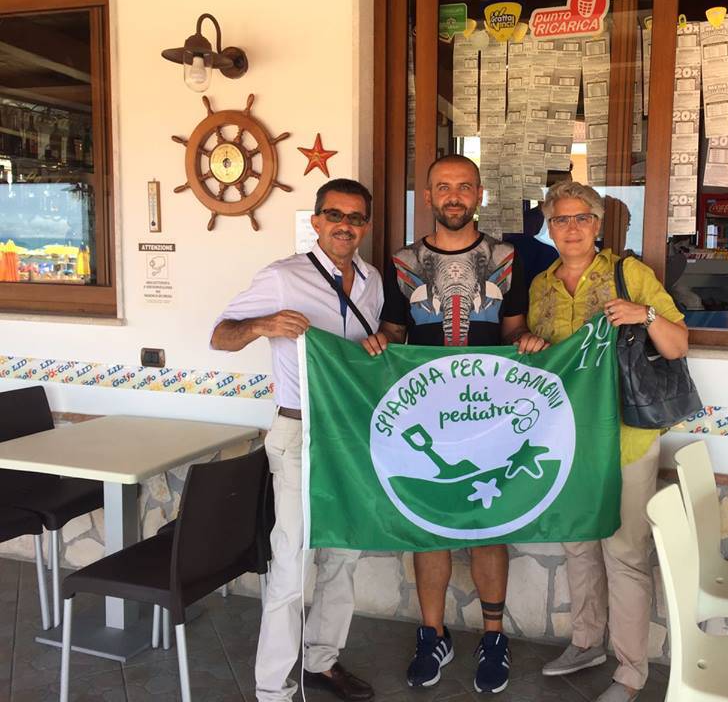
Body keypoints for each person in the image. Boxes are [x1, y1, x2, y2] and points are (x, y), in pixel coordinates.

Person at [362, 153, 547, 695]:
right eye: (443, 187)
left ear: (480, 193)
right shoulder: (402, 262)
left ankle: (494, 637)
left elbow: (514, 330)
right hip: (426, 414)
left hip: (487, 416)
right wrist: (379, 342)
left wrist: (527, 342)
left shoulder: (507, 258)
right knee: (429, 524)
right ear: (428, 195)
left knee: (490, 524)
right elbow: (395, 331)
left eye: (464, 187)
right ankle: (432, 633)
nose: (454, 196)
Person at [211, 179, 380, 702]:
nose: (344, 226)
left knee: (344, 555)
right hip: (299, 431)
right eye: (334, 215)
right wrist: (263, 324)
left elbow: (365, 354)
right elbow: (220, 335)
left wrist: (380, 344)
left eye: (355, 217)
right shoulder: (284, 277)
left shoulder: (372, 281)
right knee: (291, 563)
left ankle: (322, 661)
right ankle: (273, 688)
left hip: (351, 434)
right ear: (316, 221)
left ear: (365, 226)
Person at [529, 181, 688, 702]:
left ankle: (631, 672)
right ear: (548, 227)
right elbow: (541, 362)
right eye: (560, 220)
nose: (570, 228)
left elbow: (678, 343)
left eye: (581, 218)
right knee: (577, 544)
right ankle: (584, 641)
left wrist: (644, 315)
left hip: (626, 437)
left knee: (623, 552)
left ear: (598, 225)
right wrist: (529, 345)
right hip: (567, 440)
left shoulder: (629, 273)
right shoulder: (541, 286)